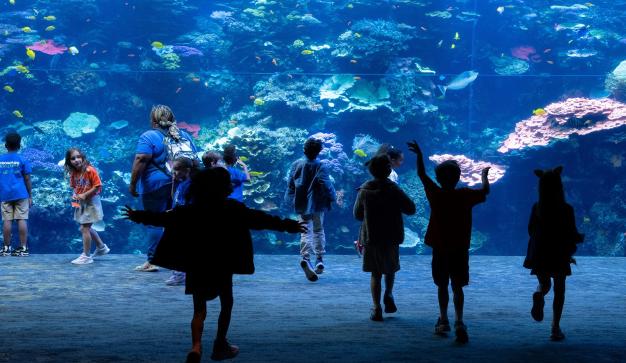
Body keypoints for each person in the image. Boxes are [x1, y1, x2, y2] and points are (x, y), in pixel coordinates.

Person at [122, 167, 306, 363]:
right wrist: (289, 225)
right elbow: (261, 219)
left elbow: (162, 218)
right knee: (226, 303)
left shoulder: (189, 210)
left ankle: (196, 347)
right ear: (224, 188)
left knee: (199, 309)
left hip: (197, 262)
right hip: (222, 263)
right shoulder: (234, 208)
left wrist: (138, 216)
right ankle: (220, 344)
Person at [407, 140, 489, 344]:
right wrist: (484, 176)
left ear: (438, 178)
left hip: (440, 247)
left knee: (442, 285)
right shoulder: (465, 195)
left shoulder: (436, 194)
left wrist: (419, 155)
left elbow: (422, 175)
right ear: (459, 178)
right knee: (457, 286)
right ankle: (460, 321)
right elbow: (485, 192)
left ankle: (443, 319)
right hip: (460, 248)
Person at [129, 105, 198, 272]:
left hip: (156, 186)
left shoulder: (149, 136)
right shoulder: (185, 136)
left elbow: (140, 160)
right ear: (173, 119)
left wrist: (133, 184)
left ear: (153, 121)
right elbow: (195, 162)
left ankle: (153, 261)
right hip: (181, 185)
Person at [524, 166, 584, 341]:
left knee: (545, 284)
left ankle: (539, 294)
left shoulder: (537, 207)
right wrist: (578, 239)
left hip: (540, 252)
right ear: (560, 187)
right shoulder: (566, 209)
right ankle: (555, 328)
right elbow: (571, 233)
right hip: (559, 252)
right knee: (559, 289)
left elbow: (530, 230)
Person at [354, 154, 416, 321]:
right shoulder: (394, 189)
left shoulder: (364, 190)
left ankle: (376, 307)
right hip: (391, 236)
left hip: (371, 237)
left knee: (375, 273)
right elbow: (411, 208)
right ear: (389, 170)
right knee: (390, 268)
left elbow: (357, 214)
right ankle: (388, 294)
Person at [285, 137, 336, 282]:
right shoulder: (322, 166)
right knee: (318, 230)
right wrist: (332, 197)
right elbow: (326, 184)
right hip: (318, 204)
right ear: (319, 151)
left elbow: (290, 185)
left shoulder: (296, 164)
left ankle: (305, 258)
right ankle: (319, 259)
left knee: (305, 230)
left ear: (304, 149)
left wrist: (288, 200)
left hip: (302, 203)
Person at [64, 148, 109, 265]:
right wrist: (75, 201)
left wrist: (85, 194)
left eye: (78, 157)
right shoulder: (73, 173)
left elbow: (97, 186)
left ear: (83, 157)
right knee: (84, 228)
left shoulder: (90, 170)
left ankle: (86, 256)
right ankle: (101, 247)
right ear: (69, 161)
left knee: (85, 228)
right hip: (81, 202)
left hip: (91, 202)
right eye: (73, 158)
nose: (76, 160)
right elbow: (75, 188)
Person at [164, 157, 196, 286]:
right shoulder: (182, 183)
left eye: (177, 169)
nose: (174, 172)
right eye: (173, 169)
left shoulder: (190, 185)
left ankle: (179, 275)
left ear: (187, 170)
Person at [0, 131, 32, 257]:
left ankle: (6, 248)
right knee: (22, 219)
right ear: (19, 146)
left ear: (5, 145)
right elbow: (27, 179)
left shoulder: (0, 160)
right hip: (21, 194)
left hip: (5, 195)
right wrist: (30, 195)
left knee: (7, 220)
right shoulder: (23, 159)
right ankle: (23, 248)